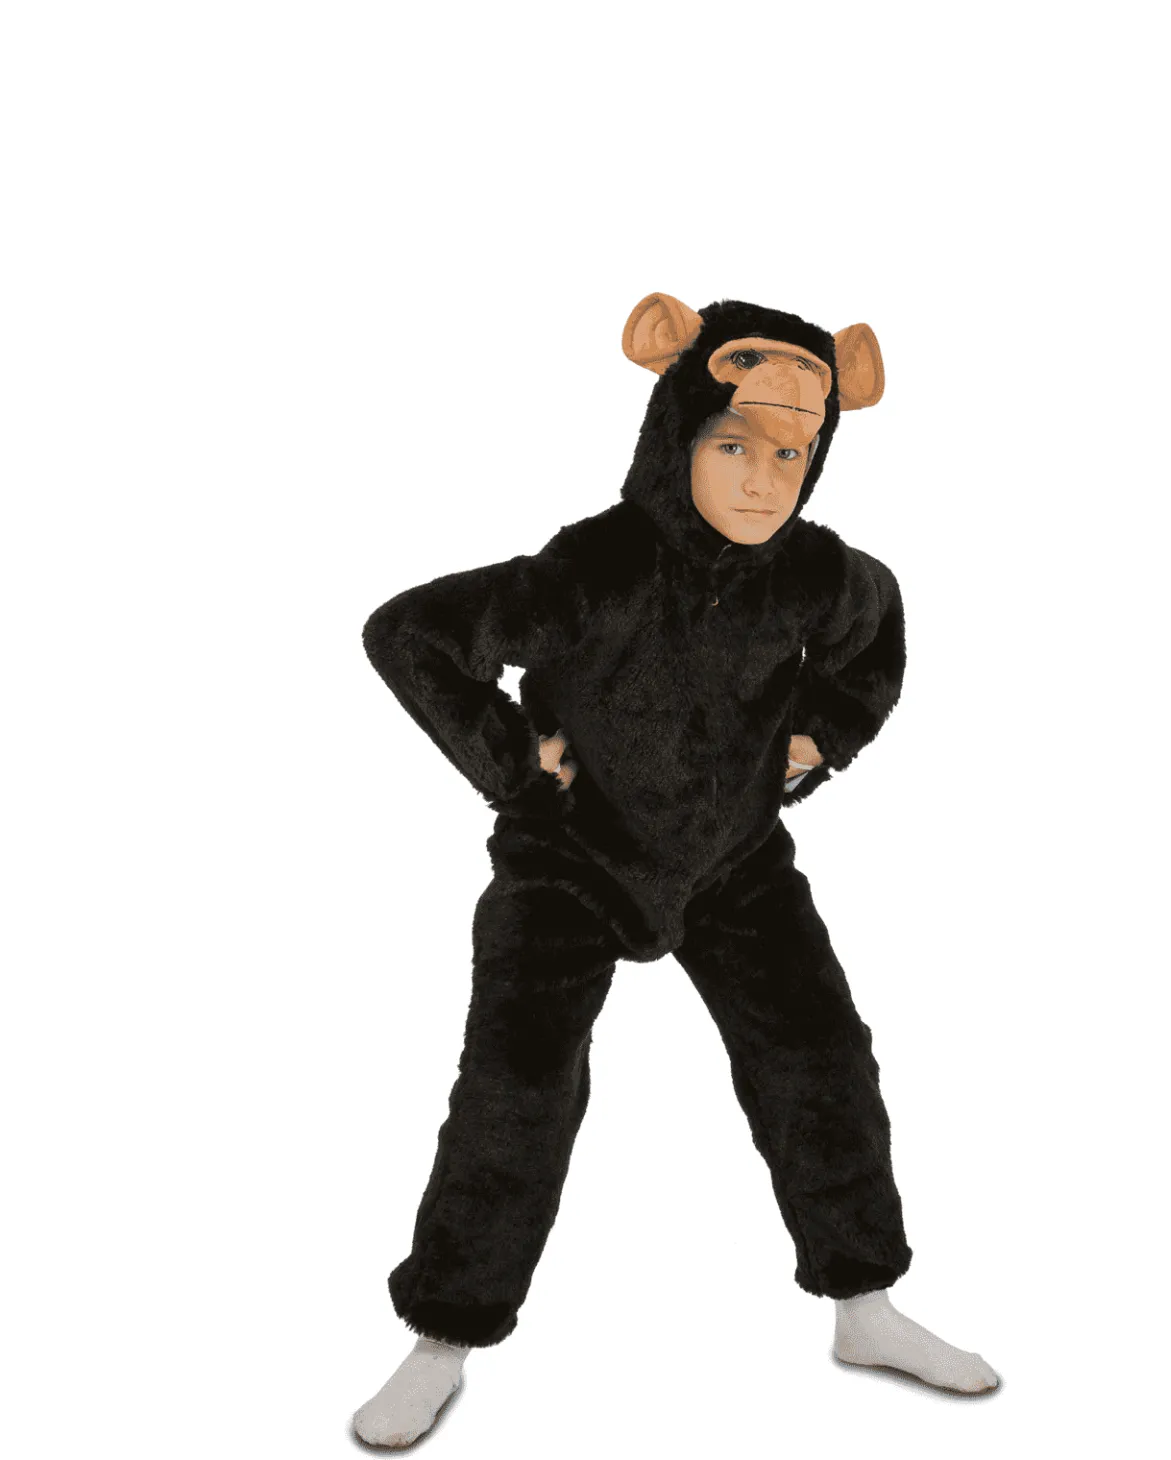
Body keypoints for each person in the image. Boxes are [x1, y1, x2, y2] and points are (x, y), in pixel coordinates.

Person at [352, 296, 999, 1448]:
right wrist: (512, 761)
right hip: (569, 861)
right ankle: (442, 1336)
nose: (761, 480)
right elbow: (409, 631)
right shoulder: (592, 566)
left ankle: (864, 1303)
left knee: (818, 1055)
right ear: (676, 436)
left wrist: (819, 735)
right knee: (518, 1082)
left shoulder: (811, 571)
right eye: (732, 444)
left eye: (789, 455)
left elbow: (874, 630)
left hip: (734, 861)